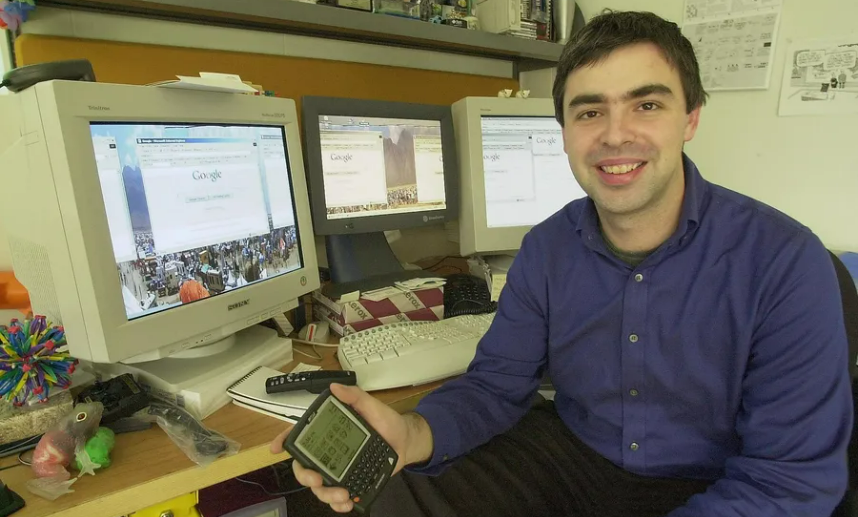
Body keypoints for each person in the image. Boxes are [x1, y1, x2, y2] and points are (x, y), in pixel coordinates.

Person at [271, 10, 853, 516]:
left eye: (646, 104)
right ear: (566, 133)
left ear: (691, 118)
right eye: (590, 112)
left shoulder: (785, 262)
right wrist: (412, 432)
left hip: (720, 484)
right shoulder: (548, 248)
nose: (616, 135)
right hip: (575, 462)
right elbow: (496, 387)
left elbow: (788, 480)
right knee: (394, 495)